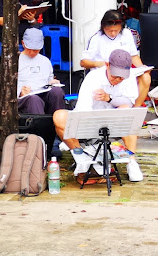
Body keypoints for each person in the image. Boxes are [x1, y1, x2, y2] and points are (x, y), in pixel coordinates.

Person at [53, 49, 143, 182]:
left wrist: (109, 98)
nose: (118, 80)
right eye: (115, 76)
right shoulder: (94, 77)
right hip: (88, 122)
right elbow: (84, 109)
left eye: (121, 77)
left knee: (128, 112)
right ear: (107, 65)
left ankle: (131, 161)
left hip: (113, 123)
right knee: (59, 116)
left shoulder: (128, 79)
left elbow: (129, 102)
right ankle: (80, 157)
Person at [80, 10, 151, 108]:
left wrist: (142, 67)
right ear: (103, 27)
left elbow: (133, 55)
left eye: (116, 31)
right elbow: (83, 62)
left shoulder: (127, 34)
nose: (113, 33)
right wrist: (99, 64)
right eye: (110, 31)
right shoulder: (97, 38)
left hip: (124, 73)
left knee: (146, 77)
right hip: (106, 74)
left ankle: (136, 109)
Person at [17, 28, 65, 115]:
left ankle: (58, 120)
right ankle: (40, 127)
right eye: (29, 49)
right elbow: (8, 85)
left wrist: (53, 83)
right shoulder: (15, 60)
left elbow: (49, 80)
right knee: (34, 100)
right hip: (24, 98)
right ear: (23, 44)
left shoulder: (45, 61)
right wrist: (20, 92)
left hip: (42, 92)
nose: (32, 52)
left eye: (36, 50)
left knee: (57, 91)